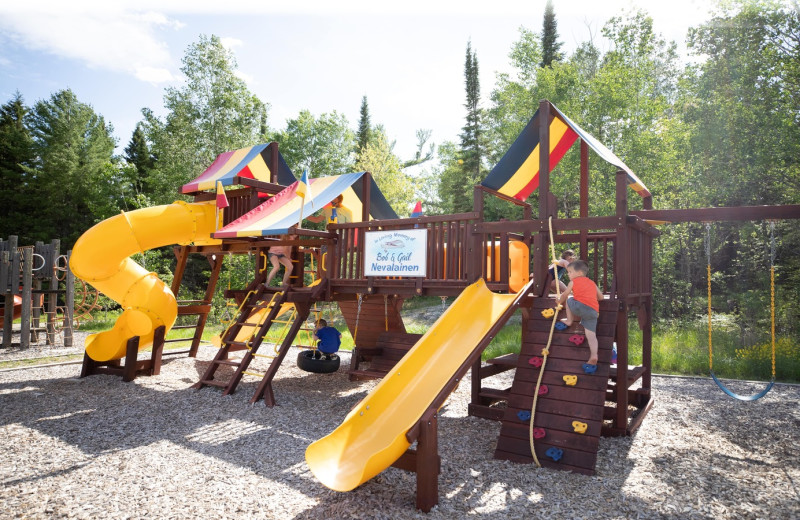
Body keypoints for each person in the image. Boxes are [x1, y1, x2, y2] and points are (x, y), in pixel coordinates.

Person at [556, 259, 603, 371]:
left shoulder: (573, 282)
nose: (568, 274)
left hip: (579, 307)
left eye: (570, 272)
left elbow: (565, 294)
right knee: (591, 335)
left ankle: (569, 320)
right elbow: (601, 297)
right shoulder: (592, 283)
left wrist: (559, 300)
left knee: (569, 299)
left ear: (579, 273)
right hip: (593, 311)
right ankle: (594, 355)